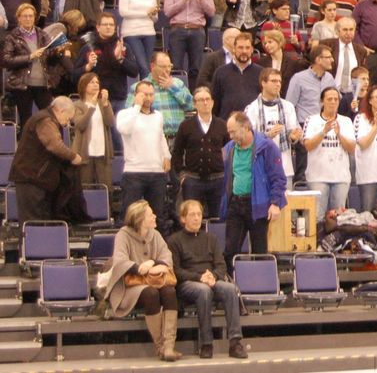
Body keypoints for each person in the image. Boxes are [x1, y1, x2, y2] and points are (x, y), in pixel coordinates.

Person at [168, 199, 248, 359]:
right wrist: (199, 278)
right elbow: (176, 271)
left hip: (211, 280)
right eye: (192, 215)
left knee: (230, 289)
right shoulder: (174, 240)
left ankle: (235, 342)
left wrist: (214, 276)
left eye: (199, 214)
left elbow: (221, 265)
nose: (197, 218)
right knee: (203, 291)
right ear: (183, 219)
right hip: (188, 283)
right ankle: (206, 343)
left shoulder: (211, 239)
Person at [103, 201, 181, 361]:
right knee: (150, 294)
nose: (154, 216)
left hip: (153, 279)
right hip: (130, 286)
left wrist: (153, 263)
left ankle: (169, 347)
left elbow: (166, 256)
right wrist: (139, 268)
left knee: (169, 291)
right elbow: (119, 261)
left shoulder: (156, 234)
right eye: (150, 214)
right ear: (139, 219)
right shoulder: (123, 235)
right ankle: (160, 347)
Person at [221, 111, 287, 269]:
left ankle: (261, 287)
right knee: (230, 251)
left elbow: (278, 178)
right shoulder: (229, 148)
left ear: (245, 127)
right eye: (229, 132)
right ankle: (232, 286)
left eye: (233, 131)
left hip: (257, 204)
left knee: (259, 251)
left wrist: (275, 203)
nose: (230, 136)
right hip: (235, 203)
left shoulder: (267, 147)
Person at [9, 97, 81, 222]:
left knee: (41, 221)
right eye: (68, 118)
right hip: (31, 178)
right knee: (32, 223)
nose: (66, 124)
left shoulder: (45, 119)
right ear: (60, 111)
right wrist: (73, 156)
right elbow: (54, 145)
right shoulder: (45, 121)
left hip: (37, 179)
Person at [117, 80, 172, 234]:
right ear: (136, 95)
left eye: (150, 94)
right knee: (129, 216)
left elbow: (161, 137)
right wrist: (136, 106)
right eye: (144, 94)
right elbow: (124, 129)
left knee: (158, 217)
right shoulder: (125, 114)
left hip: (156, 172)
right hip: (134, 172)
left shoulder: (158, 116)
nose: (148, 98)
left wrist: (166, 156)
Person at [172, 86, 230, 217]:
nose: (205, 103)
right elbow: (177, 153)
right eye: (201, 100)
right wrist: (182, 175)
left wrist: (226, 173)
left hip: (218, 180)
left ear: (213, 102)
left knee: (218, 218)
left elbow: (229, 150)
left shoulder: (222, 125)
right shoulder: (186, 126)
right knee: (191, 217)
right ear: (194, 104)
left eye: (207, 99)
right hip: (193, 180)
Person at [2, 2, 60, 126]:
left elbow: (50, 58)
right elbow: (7, 60)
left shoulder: (42, 34)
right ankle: (25, 145)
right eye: (25, 16)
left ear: (35, 17)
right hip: (23, 85)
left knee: (51, 120)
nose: (28, 19)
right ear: (19, 18)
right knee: (26, 122)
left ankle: (50, 145)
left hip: (43, 83)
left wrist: (58, 52)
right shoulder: (12, 37)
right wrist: (29, 57)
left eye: (31, 16)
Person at [163, 0, 216, 89]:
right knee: (176, 67)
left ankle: (194, 98)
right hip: (178, 29)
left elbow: (211, 12)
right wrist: (184, 0)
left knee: (196, 68)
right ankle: (176, 95)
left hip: (197, 30)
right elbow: (167, 12)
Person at [302, 87, 355, 217]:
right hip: (318, 177)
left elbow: (351, 148)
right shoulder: (312, 120)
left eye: (336, 99)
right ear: (322, 102)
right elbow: (308, 145)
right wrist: (323, 131)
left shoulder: (346, 121)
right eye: (329, 99)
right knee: (317, 217)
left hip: (341, 177)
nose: (333, 102)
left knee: (338, 218)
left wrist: (339, 134)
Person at [71, 73, 115, 187]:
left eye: (97, 82)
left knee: (106, 187)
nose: (96, 85)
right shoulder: (78, 105)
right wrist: (92, 107)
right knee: (85, 186)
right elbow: (80, 125)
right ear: (84, 86)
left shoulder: (103, 103)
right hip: (84, 153)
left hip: (102, 152)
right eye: (92, 82)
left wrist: (106, 105)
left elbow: (111, 122)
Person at [211, 31, 263, 119]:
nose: (244, 51)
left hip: (253, 125)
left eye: (247, 48)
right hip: (226, 125)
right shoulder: (220, 72)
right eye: (240, 47)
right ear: (234, 49)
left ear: (252, 50)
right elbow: (215, 103)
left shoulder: (261, 72)